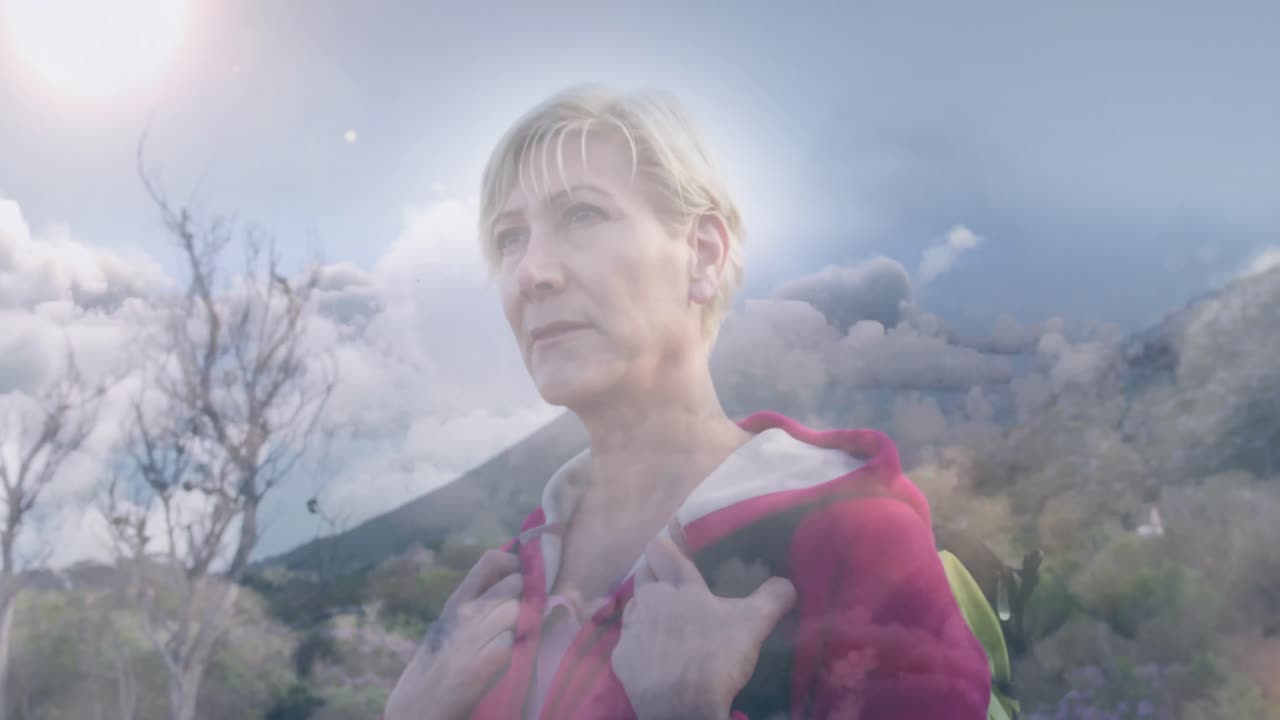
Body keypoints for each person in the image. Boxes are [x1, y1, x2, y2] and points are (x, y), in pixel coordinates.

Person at [383, 85, 991, 720]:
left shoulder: (851, 532)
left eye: (583, 216)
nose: (533, 271)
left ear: (703, 253)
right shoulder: (504, 581)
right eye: (510, 238)